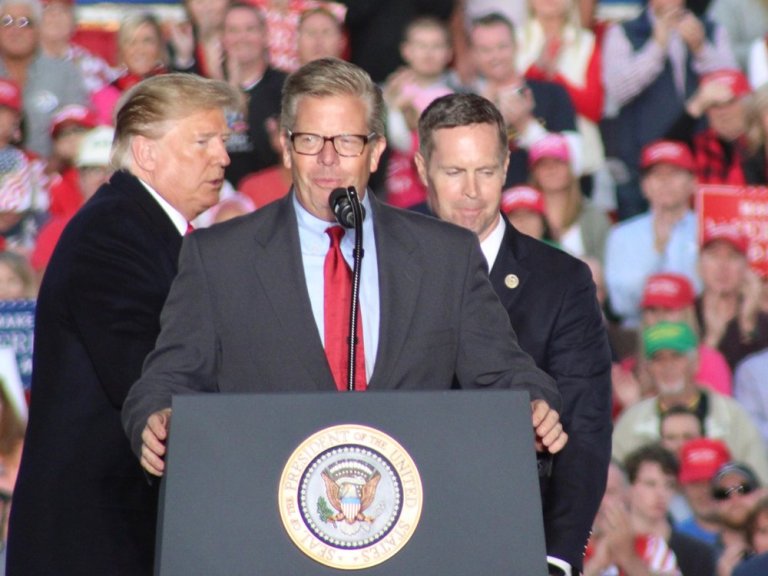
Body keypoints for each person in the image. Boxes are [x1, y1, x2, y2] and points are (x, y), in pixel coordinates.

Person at [122, 59, 567, 524]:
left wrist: (535, 405)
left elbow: (505, 373)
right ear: (287, 148)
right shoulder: (218, 258)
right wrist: (156, 417)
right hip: (266, 526)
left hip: (413, 530)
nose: (329, 160)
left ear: (375, 152)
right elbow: (166, 379)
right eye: (311, 141)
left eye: (348, 142)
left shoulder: (445, 256)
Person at [6, 73, 239, 575]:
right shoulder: (112, 236)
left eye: (223, 140)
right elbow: (150, 373)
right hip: (94, 539)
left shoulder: (141, 229)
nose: (222, 157)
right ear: (146, 152)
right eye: (203, 141)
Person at [415, 91, 611, 576]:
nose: (471, 192)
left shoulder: (562, 281)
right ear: (422, 170)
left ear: (506, 166)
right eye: (454, 172)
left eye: (485, 171)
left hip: (521, 536)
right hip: (409, 531)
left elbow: (584, 427)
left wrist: (559, 555)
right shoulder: (382, 269)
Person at [601, 0, 735, 219]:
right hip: (641, 164)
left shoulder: (710, 28)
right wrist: (656, 47)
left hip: (703, 162)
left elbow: (732, 87)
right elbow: (618, 91)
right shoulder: (624, 31)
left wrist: (701, 49)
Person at [612, 321, 768, 484]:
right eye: (659, 359)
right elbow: (614, 484)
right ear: (648, 368)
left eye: (676, 356)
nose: (668, 366)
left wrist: (727, 497)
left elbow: (758, 483)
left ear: (696, 362)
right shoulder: (631, 421)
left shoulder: (732, 416)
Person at [461, 12, 580, 187]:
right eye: (485, 50)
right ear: (474, 55)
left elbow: (576, 162)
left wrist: (525, 124)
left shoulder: (552, 92)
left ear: (517, 46)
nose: (495, 56)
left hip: (544, 205)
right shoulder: (463, 104)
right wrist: (482, 113)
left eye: (502, 47)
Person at [604, 140, 700, 327]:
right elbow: (621, 304)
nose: (665, 182)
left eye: (674, 173)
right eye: (656, 175)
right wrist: (656, 252)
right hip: (638, 333)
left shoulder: (706, 230)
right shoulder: (622, 235)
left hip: (696, 329)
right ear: (644, 186)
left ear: (693, 182)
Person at [0, 0, 87, 158]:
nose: (15, 30)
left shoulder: (65, 73)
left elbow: (80, 127)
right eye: (6, 21)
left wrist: (56, 165)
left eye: (25, 22)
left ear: (39, 29)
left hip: (50, 173)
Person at [383, 16, 453, 209]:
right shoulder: (393, 88)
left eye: (436, 46)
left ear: (449, 53)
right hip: (395, 191)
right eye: (421, 45)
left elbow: (403, 142)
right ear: (406, 51)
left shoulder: (449, 100)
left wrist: (395, 109)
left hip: (428, 198)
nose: (428, 53)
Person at [624, 443, 717, 576]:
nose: (661, 493)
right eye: (650, 484)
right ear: (629, 487)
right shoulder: (607, 546)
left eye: (669, 485)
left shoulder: (698, 553)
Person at [220, 2, 287, 188]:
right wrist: (232, 89)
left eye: (250, 29)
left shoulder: (286, 88)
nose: (242, 37)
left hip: (271, 197)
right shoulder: (209, 92)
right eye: (233, 30)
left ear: (265, 35)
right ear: (223, 38)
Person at [527, 133, 611, 262]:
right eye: (543, 164)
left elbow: (606, 267)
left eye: (558, 162)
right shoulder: (520, 216)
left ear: (571, 167)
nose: (551, 169)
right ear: (534, 172)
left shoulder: (593, 216)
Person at [695, 227, 768, 370]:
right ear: (700, 266)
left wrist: (748, 325)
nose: (722, 266)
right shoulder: (687, 314)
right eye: (714, 256)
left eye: (732, 257)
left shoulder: (759, 319)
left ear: (745, 267)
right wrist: (712, 338)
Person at [666, 68, 752, 185]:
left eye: (730, 102)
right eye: (714, 105)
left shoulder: (759, 145)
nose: (723, 112)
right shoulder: (699, 146)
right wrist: (695, 106)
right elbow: (665, 152)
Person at [91, 13, 169, 126]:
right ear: (121, 50)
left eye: (147, 40)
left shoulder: (175, 86)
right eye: (131, 42)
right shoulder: (106, 94)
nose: (140, 49)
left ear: (159, 46)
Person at [675, 437, 732, 543]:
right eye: (695, 484)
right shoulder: (674, 540)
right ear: (681, 488)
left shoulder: (757, 532)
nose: (705, 491)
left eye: (712, 482)